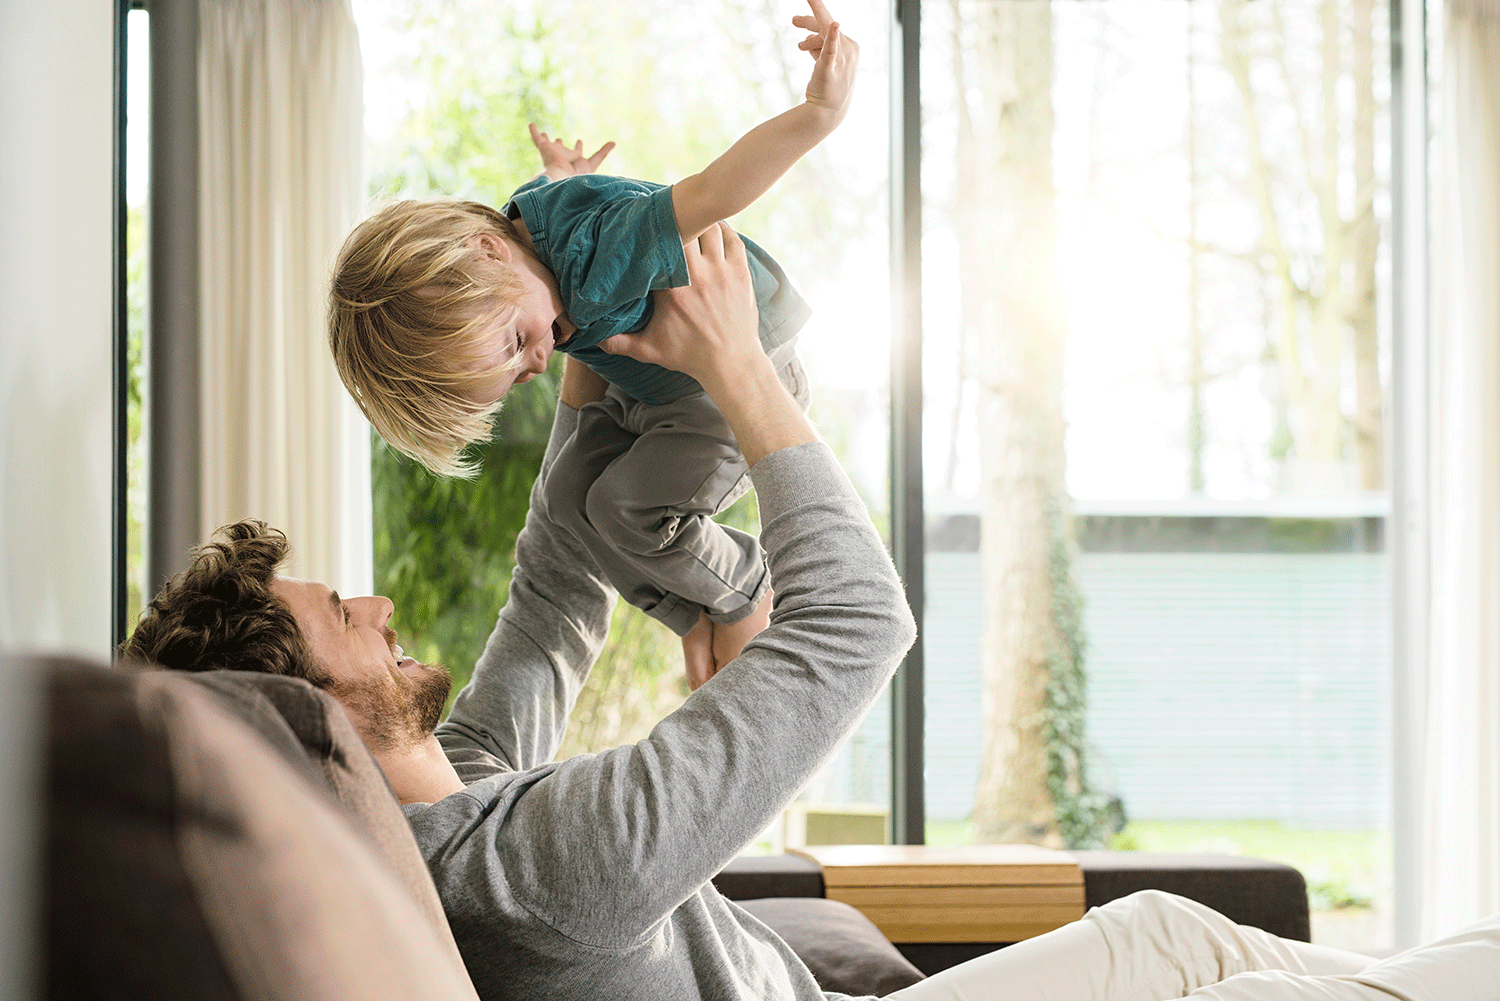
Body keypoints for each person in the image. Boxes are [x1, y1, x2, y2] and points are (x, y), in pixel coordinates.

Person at [122, 226, 1498, 1000]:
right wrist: (734, 370)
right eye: (335, 617)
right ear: (308, 714)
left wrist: (589, 349)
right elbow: (860, 625)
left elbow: (556, 575)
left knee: (1170, 933)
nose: (374, 601)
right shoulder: (533, 870)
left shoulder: (466, 796)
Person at [328, 0, 856, 675]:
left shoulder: (598, 264)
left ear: (489, 253)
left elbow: (713, 191)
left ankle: (746, 588)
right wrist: (569, 177)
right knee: (565, 500)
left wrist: (819, 115)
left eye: (520, 342)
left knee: (622, 506)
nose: (543, 358)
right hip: (657, 392)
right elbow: (565, 204)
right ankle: (691, 611)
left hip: (732, 388)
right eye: (520, 371)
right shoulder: (523, 241)